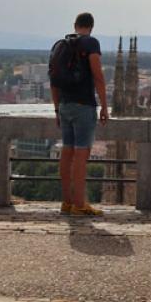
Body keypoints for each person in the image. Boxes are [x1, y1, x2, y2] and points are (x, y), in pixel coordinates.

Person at [51, 12, 108, 217]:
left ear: (75, 25)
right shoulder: (91, 43)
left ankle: (66, 202)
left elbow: (53, 80)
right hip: (83, 105)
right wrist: (104, 105)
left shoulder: (61, 46)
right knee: (81, 157)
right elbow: (98, 75)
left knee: (67, 153)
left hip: (64, 105)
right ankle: (79, 204)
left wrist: (57, 109)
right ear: (91, 27)